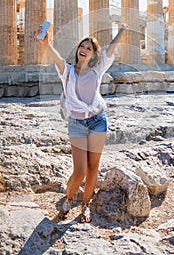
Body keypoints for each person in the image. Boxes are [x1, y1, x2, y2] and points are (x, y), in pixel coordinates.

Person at [36, 24, 128, 222]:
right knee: (80, 171)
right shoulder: (67, 71)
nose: (84, 49)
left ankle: (86, 205)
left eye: (89, 48)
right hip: (77, 124)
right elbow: (54, 56)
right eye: (82, 46)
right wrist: (46, 43)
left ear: (93, 54)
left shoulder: (97, 70)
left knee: (93, 168)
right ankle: (69, 199)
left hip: (97, 122)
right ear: (77, 50)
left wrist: (121, 31)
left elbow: (110, 50)